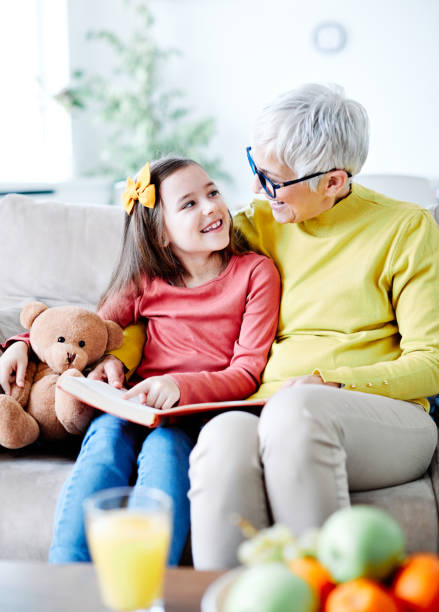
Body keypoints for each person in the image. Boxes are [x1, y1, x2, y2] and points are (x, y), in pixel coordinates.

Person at [187, 83, 439, 569]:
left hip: (385, 417)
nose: (259, 189)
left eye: (274, 181)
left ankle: (324, 596)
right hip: (272, 407)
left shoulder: (406, 229)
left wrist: (330, 383)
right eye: (256, 169)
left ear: (334, 182)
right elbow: (166, 293)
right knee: (221, 439)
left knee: (299, 413)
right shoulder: (257, 222)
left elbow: (432, 362)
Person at [0, 156, 280, 565]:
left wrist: (179, 387)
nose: (211, 207)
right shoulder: (146, 278)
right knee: (103, 445)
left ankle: (148, 583)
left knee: (165, 455)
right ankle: (66, 577)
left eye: (213, 192)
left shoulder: (256, 274)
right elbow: (89, 329)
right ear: (161, 234)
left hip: (193, 411)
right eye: (189, 204)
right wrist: (25, 341)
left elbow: (246, 371)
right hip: (131, 402)